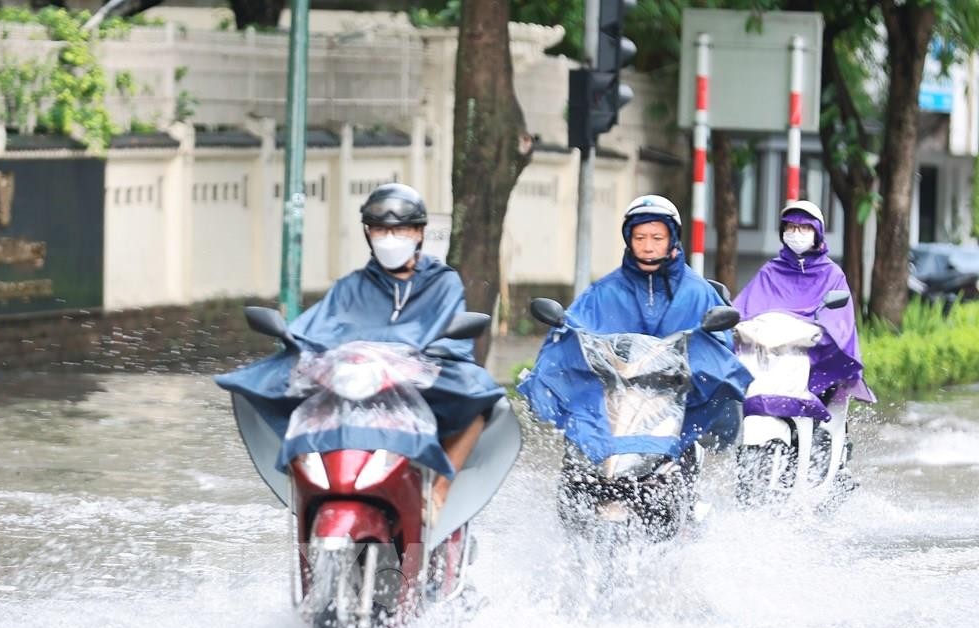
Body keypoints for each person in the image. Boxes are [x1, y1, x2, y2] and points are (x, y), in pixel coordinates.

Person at [216, 182, 502, 512]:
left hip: (418, 379)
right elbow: (312, 330)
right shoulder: (351, 286)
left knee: (478, 398)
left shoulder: (442, 282)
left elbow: (449, 336)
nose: (390, 238)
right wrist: (294, 341)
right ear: (368, 233)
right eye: (380, 229)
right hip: (354, 380)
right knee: (280, 385)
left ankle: (438, 493)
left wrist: (414, 356)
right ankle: (307, 490)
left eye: (401, 229)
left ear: (419, 233)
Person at [519, 194, 752, 473]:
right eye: (640, 238)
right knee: (578, 452)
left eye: (656, 238)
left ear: (672, 239)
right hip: (613, 397)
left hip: (672, 398)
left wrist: (696, 352)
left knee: (684, 453)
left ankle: (684, 496)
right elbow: (576, 326)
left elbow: (718, 344)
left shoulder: (697, 291)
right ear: (629, 239)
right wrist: (564, 329)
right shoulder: (604, 291)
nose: (648, 247)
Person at [732, 200, 875, 411]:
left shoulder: (832, 274)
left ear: (817, 232)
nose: (796, 233)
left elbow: (839, 325)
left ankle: (821, 433)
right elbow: (743, 310)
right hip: (769, 360)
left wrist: (817, 337)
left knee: (827, 391)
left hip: (814, 359)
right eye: (791, 227)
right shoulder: (770, 271)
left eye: (804, 228)